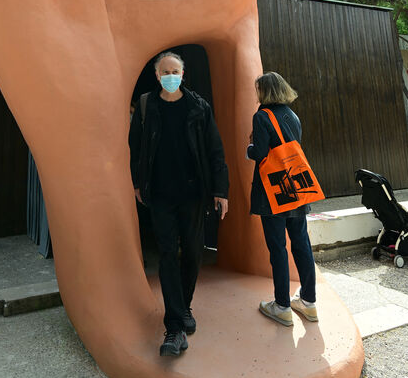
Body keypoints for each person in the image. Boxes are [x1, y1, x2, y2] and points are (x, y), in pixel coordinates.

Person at [129, 52, 229, 358]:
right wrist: (137, 183)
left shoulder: (199, 107)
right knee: (168, 253)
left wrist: (220, 190)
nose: (170, 75)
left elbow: (215, 149)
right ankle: (174, 326)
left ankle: (184, 306)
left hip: (194, 194)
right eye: (165, 72)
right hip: (160, 194)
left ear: (183, 75)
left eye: (175, 71)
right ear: (157, 76)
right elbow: (135, 148)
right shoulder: (147, 106)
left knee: (193, 250)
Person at [246, 72, 318, 327]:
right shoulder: (292, 115)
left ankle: (282, 306)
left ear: (264, 91)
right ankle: (309, 302)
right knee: (301, 242)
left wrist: (250, 148)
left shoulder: (262, 116)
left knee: (278, 247)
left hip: (273, 191)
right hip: (296, 187)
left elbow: (261, 153)